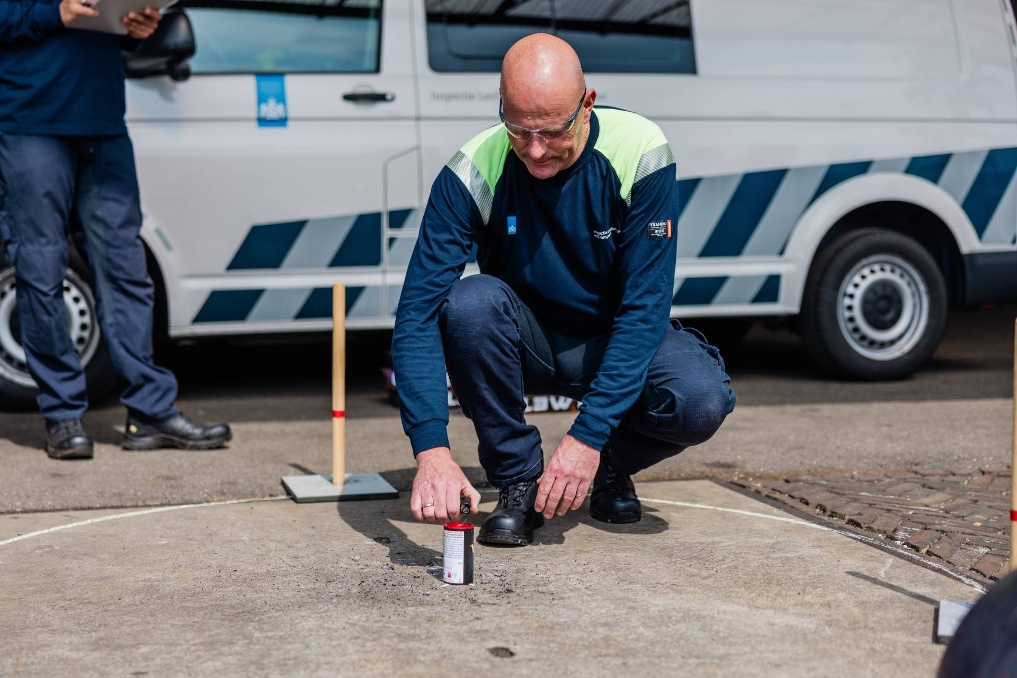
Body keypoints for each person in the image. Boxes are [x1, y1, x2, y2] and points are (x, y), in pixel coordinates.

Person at [392, 34, 736, 545]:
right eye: (519, 129)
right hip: (524, 340)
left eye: (553, 131)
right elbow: (416, 314)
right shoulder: (471, 170)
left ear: (587, 103)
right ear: (501, 109)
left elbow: (645, 308)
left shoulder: (640, 149)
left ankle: (609, 467)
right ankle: (518, 482)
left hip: (612, 335)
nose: (535, 150)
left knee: (700, 400)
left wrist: (589, 437)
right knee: (467, 302)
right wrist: (431, 450)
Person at [0, 0, 231, 459]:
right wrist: (54, 12)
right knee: (41, 268)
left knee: (125, 270)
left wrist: (135, 27)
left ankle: (149, 413)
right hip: (29, 122)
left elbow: (116, 23)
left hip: (102, 119)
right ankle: (63, 415)